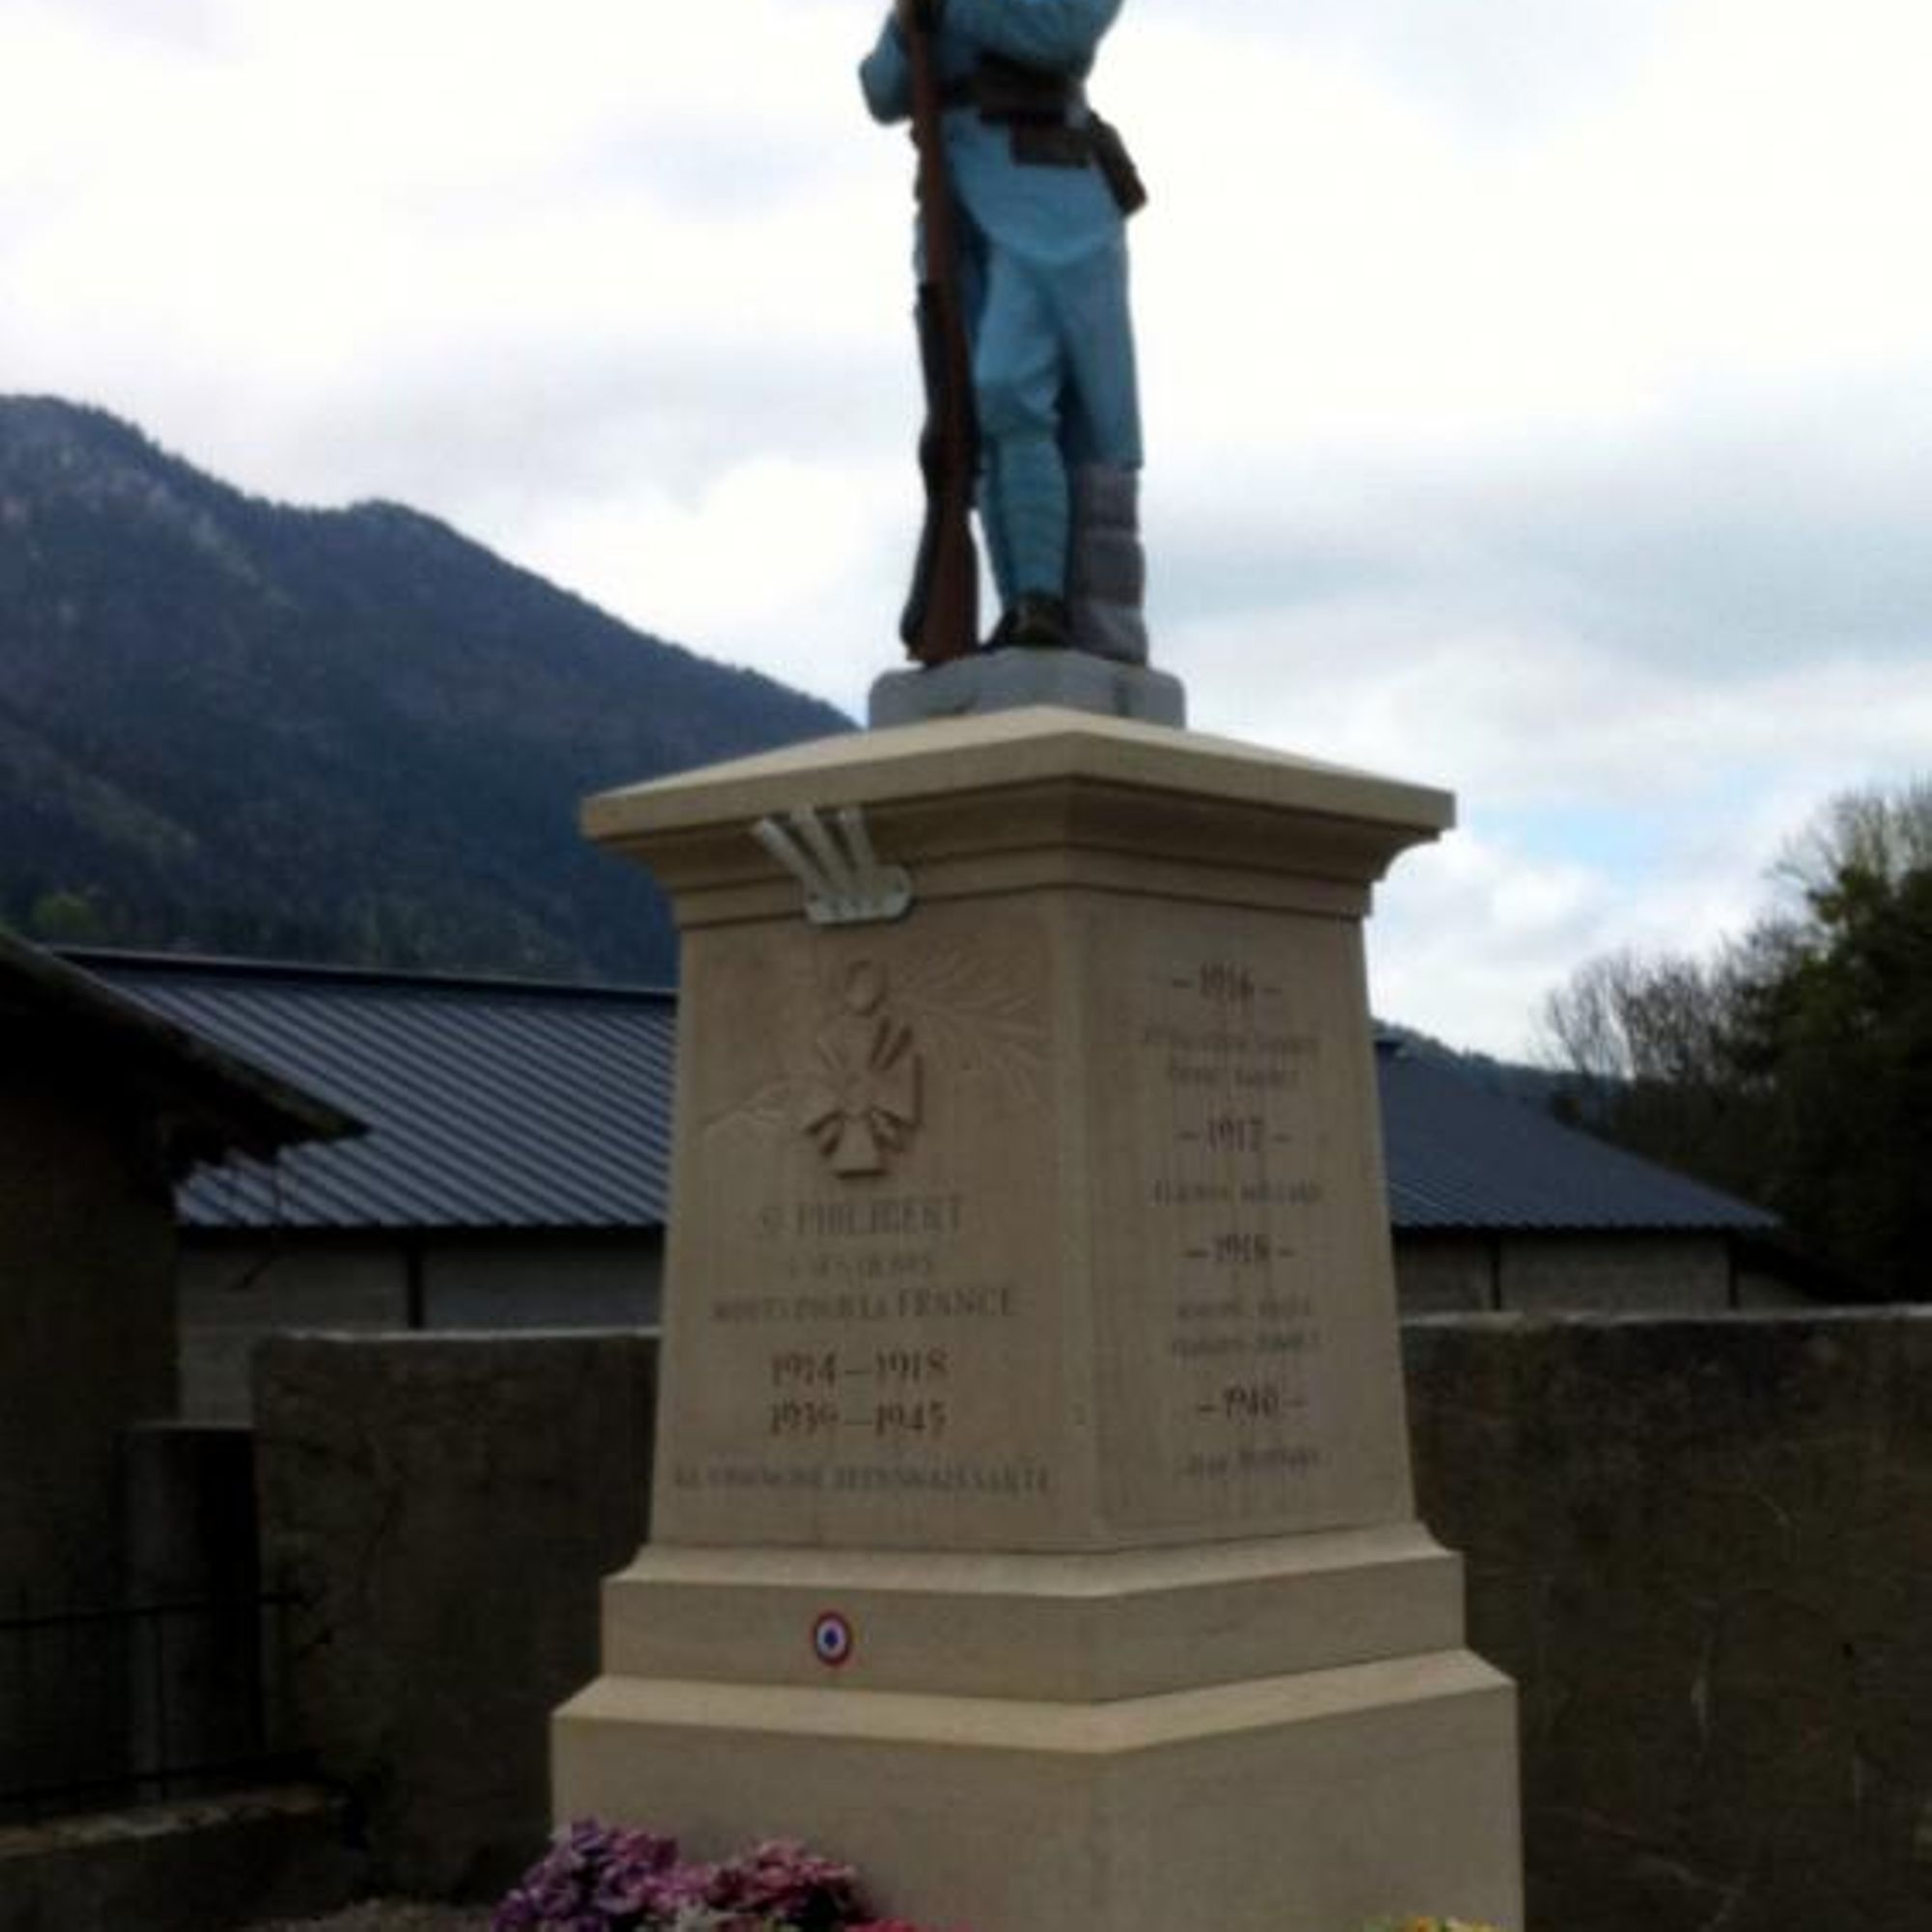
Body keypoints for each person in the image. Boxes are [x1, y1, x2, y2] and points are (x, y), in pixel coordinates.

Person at [861, 0, 1148, 660]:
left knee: (1008, 385)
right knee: (979, 422)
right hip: (958, 207)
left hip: (1049, 198)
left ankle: (1048, 601)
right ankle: (1025, 605)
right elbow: (882, 89)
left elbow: (1058, 33)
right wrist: (906, 23)